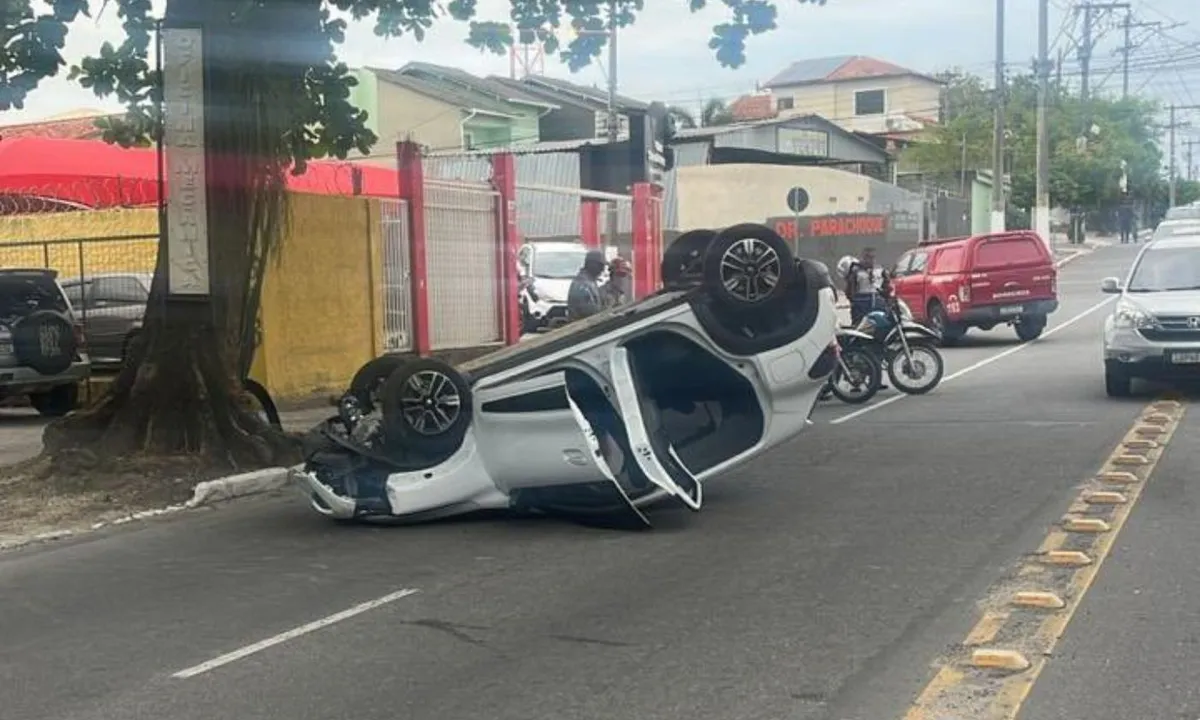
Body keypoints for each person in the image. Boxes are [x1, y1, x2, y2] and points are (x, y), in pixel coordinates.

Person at [843, 247, 888, 326]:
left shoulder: (880, 270)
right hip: (861, 305)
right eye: (867, 257)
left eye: (872, 257)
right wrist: (854, 301)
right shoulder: (856, 271)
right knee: (859, 326)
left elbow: (887, 286)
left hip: (878, 303)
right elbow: (849, 290)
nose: (870, 260)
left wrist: (885, 298)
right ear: (862, 258)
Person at [566, 249, 607, 322]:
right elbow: (590, 313)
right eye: (600, 266)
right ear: (591, 264)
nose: (602, 270)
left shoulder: (590, 281)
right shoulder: (582, 285)